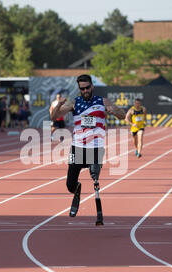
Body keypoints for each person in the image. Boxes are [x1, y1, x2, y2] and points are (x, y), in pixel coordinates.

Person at [50, 74, 125, 225]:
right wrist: (58, 105)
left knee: (94, 176)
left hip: (96, 148)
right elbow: (54, 117)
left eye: (87, 88)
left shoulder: (102, 102)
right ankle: (77, 188)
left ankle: (97, 206)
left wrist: (114, 110)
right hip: (77, 148)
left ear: (92, 87)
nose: (85, 91)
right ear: (79, 89)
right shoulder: (74, 103)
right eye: (82, 88)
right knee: (70, 185)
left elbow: (122, 116)